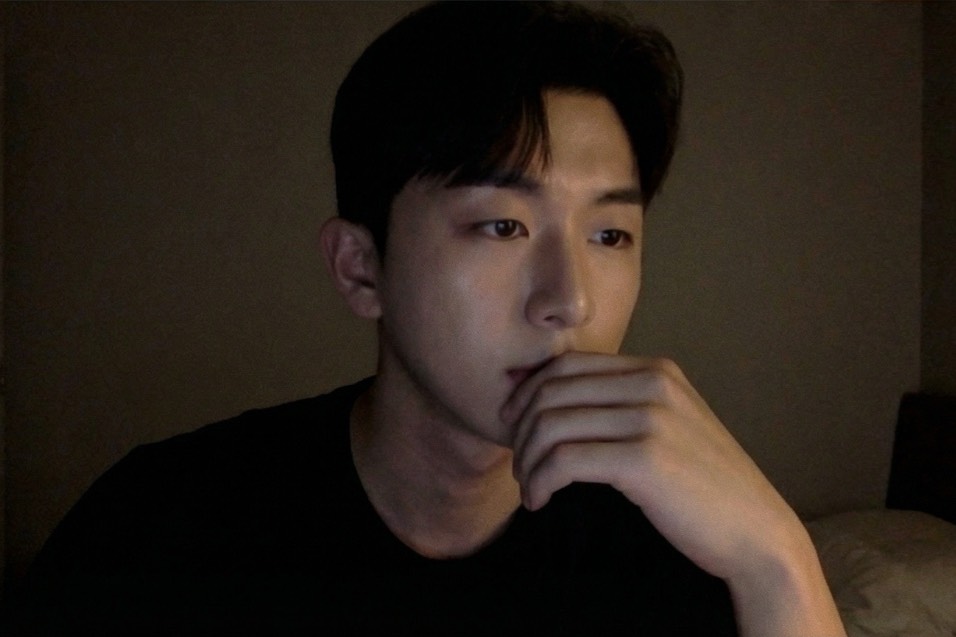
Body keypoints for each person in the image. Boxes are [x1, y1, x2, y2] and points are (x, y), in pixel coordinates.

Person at [2, 2, 846, 635]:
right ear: (360, 266)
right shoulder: (161, 531)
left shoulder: (677, 549)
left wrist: (777, 558)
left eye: (610, 234)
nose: (571, 299)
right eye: (502, 226)